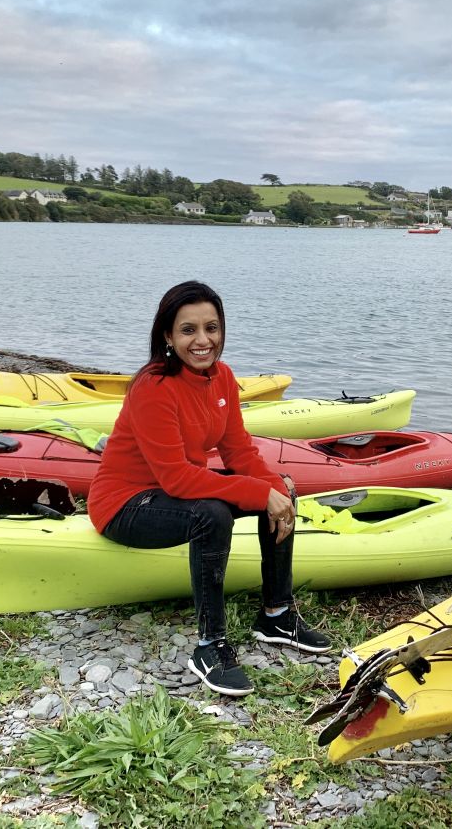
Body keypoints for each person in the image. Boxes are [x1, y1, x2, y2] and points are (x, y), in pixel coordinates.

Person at [87, 280, 331, 696]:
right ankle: (209, 645)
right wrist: (257, 494)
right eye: (188, 330)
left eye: (211, 328)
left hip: (175, 491)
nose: (203, 341)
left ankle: (276, 614)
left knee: (279, 490)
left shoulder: (222, 378)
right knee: (212, 513)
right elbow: (177, 478)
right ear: (167, 335)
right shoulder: (153, 387)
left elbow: (239, 452)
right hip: (126, 503)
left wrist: (273, 488)